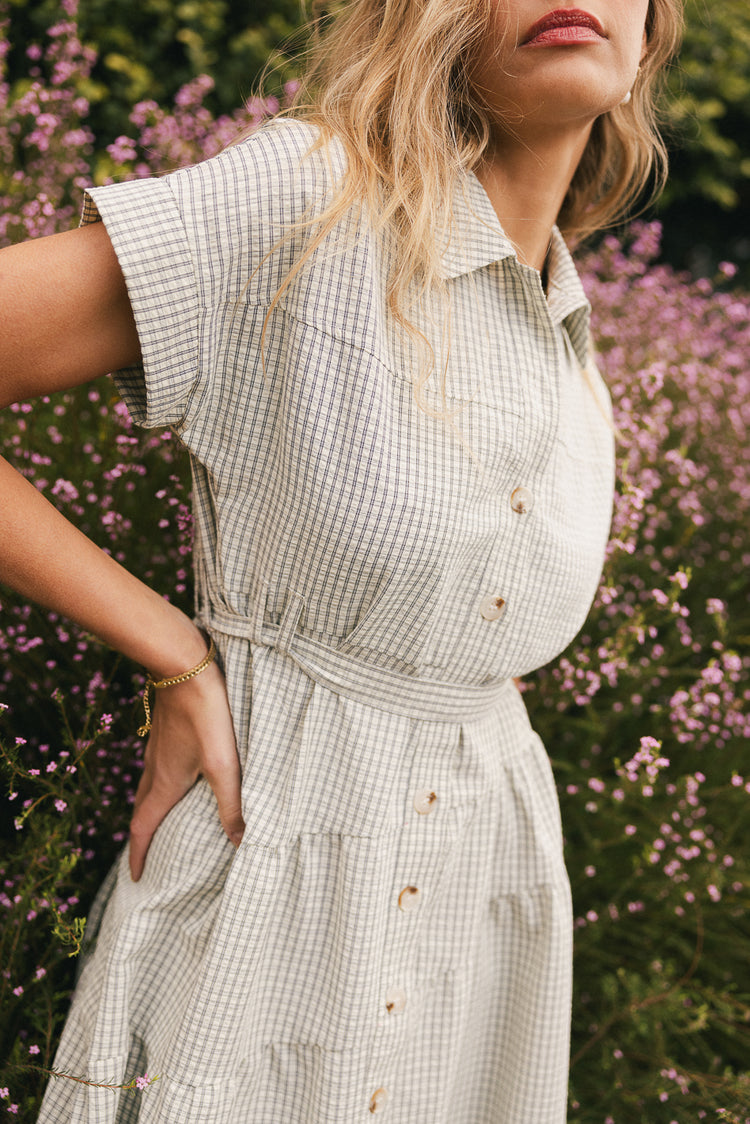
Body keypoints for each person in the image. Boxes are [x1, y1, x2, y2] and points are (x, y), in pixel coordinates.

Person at [0, 0, 683, 1120]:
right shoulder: (307, 202)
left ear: (651, 28)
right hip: (264, 896)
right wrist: (170, 646)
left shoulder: (573, 357)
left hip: (479, 927)